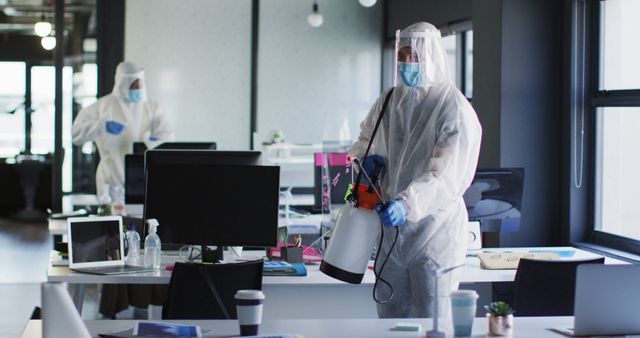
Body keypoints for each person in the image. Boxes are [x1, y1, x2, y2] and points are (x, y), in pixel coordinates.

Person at [350, 22, 482, 318]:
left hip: (435, 232)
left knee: (432, 318)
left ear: (432, 58)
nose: (407, 64)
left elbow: (447, 175)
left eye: (414, 57)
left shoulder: (452, 106)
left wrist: (408, 202)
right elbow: (364, 139)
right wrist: (365, 159)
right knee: (390, 317)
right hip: (391, 232)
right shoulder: (389, 100)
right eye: (403, 56)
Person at [72, 61, 173, 197]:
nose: (138, 88)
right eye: (133, 85)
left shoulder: (151, 108)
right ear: (122, 83)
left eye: (140, 84)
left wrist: (155, 140)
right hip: (111, 185)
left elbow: (167, 136)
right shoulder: (103, 107)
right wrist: (101, 126)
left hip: (142, 183)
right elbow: (76, 134)